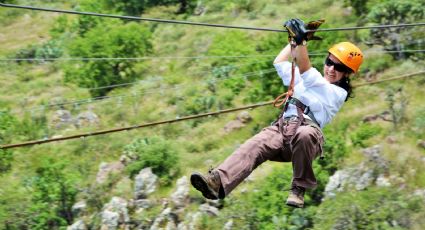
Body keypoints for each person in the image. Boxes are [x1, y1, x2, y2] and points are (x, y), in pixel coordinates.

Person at [190, 19, 363, 208]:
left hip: (304, 138)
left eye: (339, 68)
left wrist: (302, 41)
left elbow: (305, 69)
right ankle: (217, 183)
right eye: (330, 62)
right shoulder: (307, 80)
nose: (331, 69)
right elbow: (280, 62)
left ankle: (298, 188)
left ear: (348, 73)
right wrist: (293, 42)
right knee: (252, 146)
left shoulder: (337, 93)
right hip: (281, 130)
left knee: (305, 134)